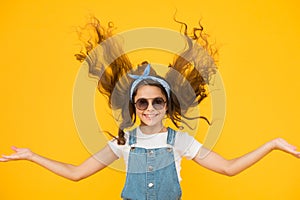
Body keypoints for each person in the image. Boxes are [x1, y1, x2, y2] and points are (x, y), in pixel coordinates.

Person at [1, 17, 299, 200]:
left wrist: (273, 145)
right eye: (142, 102)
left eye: (157, 101)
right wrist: (31, 156)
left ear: (167, 105)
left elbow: (229, 169)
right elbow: (77, 173)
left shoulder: (179, 141)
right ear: (133, 106)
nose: (150, 108)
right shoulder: (123, 143)